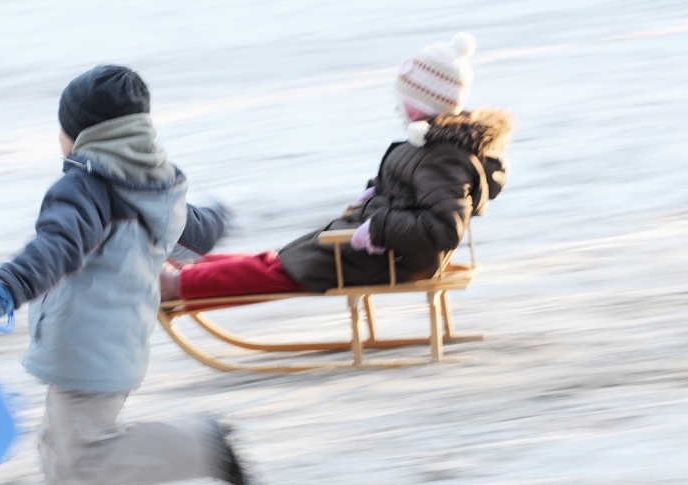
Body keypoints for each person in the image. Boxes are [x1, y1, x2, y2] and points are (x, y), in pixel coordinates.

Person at [0, 65, 250, 485]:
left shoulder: (84, 187)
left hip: (83, 349)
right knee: (60, 454)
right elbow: (195, 234)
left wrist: (9, 284)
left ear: (83, 134)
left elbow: (58, 245)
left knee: (82, 461)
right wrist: (220, 217)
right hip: (116, 345)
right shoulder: (157, 186)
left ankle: (203, 446)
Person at [160, 33, 513, 302]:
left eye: (403, 102)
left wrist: (380, 226)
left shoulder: (442, 156)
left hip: (392, 256)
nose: (398, 110)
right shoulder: (431, 146)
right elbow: (410, 189)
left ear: (421, 105)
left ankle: (181, 284)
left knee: (287, 269)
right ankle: (192, 269)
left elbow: (445, 226)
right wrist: (377, 191)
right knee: (282, 259)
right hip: (381, 246)